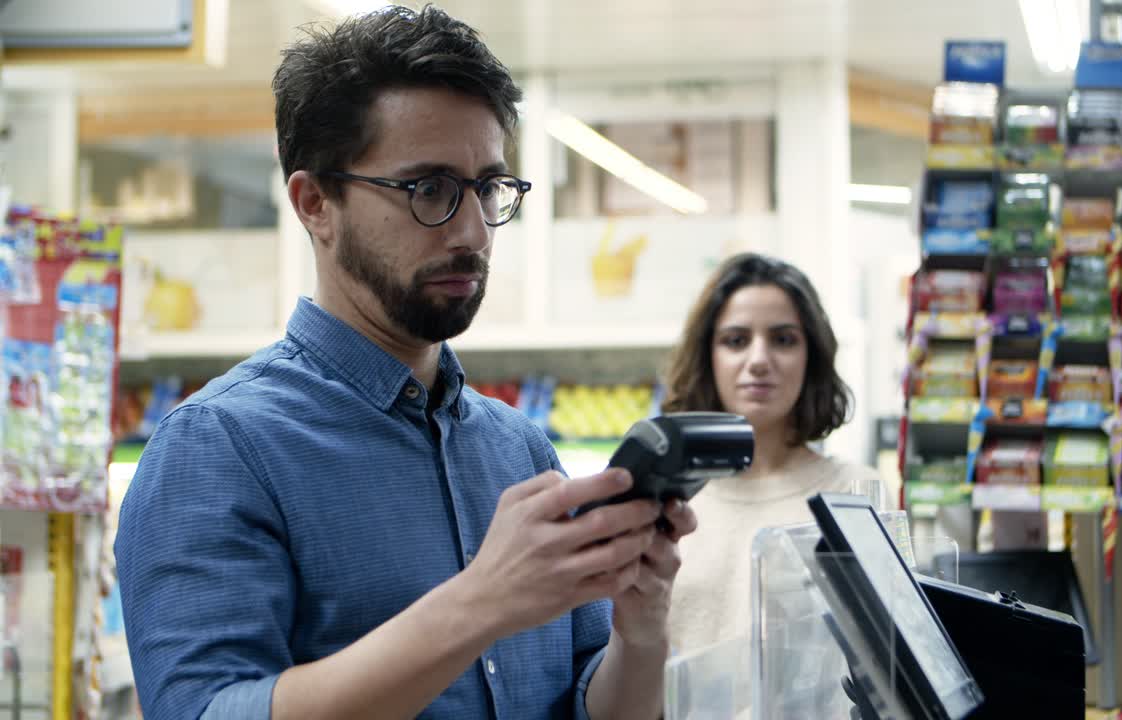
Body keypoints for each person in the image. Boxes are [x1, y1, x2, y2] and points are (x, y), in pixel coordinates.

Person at [114, 6, 695, 720]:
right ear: (315, 204)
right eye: (430, 189)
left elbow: (589, 706)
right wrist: (478, 602)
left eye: (488, 188)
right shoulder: (217, 448)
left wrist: (641, 635)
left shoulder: (519, 449)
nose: (474, 230)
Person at [661, 252, 884, 654]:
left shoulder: (855, 492)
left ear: (811, 356)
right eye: (736, 340)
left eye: (782, 339)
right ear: (707, 356)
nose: (759, 360)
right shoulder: (665, 500)